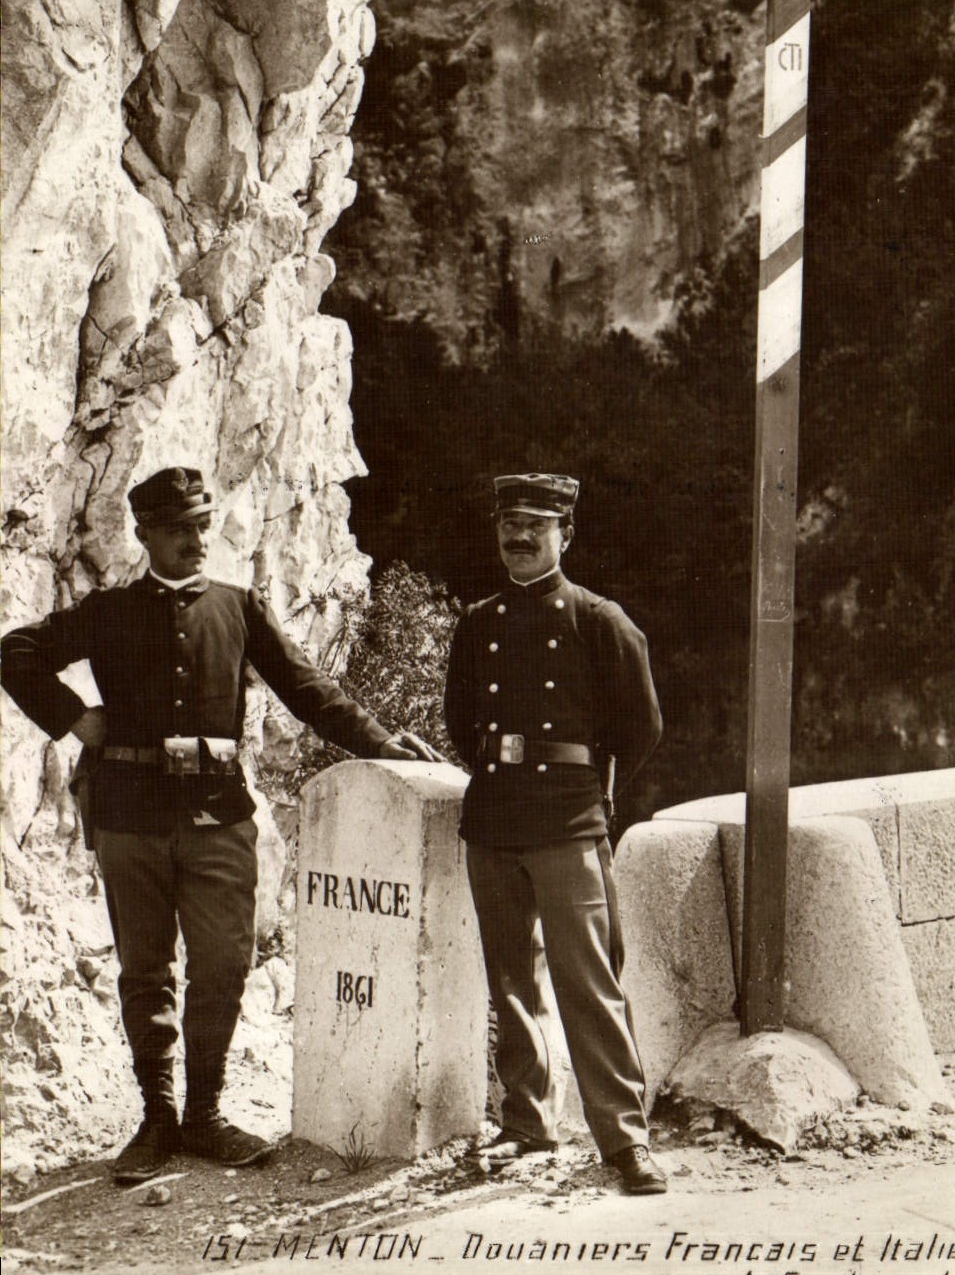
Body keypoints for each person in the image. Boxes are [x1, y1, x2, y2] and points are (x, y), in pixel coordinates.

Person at [0, 466, 442, 1186]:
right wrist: (76, 717)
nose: (196, 540)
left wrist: (384, 742)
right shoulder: (107, 612)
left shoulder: (239, 608)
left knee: (223, 968)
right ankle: (157, 1119)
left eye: (203, 525)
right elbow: (14, 651)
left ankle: (203, 1115)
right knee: (145, 970)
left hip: (218, 818)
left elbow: (310, 690)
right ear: (143, 535)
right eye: (178, 530)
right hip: (130, 818)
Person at [443, 472, 667, 1195]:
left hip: (568, 823)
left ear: (563, 535)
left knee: (588, 984)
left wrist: (591, 800)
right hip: (495, 820)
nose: (518, 539)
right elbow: (459, 722)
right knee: (509, 984)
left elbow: (641, 728)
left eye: (534, 528)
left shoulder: (599, 620)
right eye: (508, 526)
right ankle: (526, 1125)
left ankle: (625, 1141)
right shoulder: (477, 622)